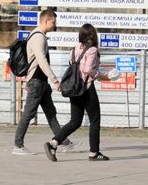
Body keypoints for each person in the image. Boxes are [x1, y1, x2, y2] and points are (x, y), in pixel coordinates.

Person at [44, 24, 113, 162]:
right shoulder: (92, 50)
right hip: (86, 89)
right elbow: (88, 70)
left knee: (75, 121)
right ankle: (94, 153)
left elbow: (72, 64)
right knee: (94, 120)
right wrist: (104, 76)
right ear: (92, 36)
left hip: (74, 88)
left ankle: (54, 143)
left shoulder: (75, 48)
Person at [12, 9, 76, 155]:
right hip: (36, 81)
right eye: (53, 22)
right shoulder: (38, 37)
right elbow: (41, 60)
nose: (54, 25)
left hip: (41, 82)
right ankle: (17, 145)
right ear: (46, 21)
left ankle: (64, 142)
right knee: (28, 114)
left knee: (51, 113)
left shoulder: (39, 35)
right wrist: (55, 80)